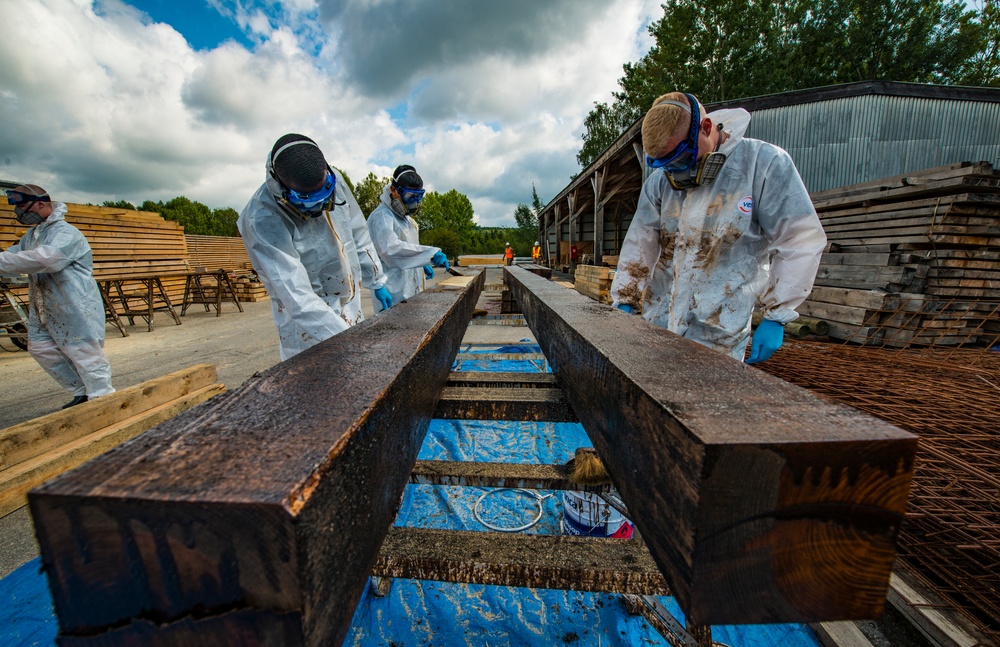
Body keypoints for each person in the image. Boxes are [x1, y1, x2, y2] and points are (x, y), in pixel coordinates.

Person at [610, 91, 826, 364]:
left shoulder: (763, 164)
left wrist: (777, 314)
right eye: (667, 166)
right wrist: (626, 296)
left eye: (680, 160)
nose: (676, 173)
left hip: (719, 329)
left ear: (706, 128)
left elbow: (799, 241)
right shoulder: (659, 184)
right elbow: (641, 242)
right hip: (659, 322)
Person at [238, 133, 392, 361]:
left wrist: (377, 279)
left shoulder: (335, 179)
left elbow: (357, 230)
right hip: (309, 325)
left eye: (324, 195)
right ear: (283, 190)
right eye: (309, 200)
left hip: (349, 301)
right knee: (317, 385)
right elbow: (296, 295)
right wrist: (351, 340)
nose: (320, 205)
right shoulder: (262, 218)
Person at [1, 185, 114, 408]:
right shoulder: (32, 235)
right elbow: (17, 256)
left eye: (23, 206)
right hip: (45, 306)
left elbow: (45, 260)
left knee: (84, 353)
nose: (20, 212)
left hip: (73, 304)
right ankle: (82, 391)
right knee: (40, 347)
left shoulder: (65, 233)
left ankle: (104, 400)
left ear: (41, 204)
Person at [366, 165, 450, 311]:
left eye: (419, 196)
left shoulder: (408, 220)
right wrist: (428, 254)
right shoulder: (382, 217)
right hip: (393, 292)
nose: (415, 202)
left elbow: (410, 246)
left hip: (411, 292)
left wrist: (421, 262)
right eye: (410, 196)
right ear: (394, 190)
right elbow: (390, 249)